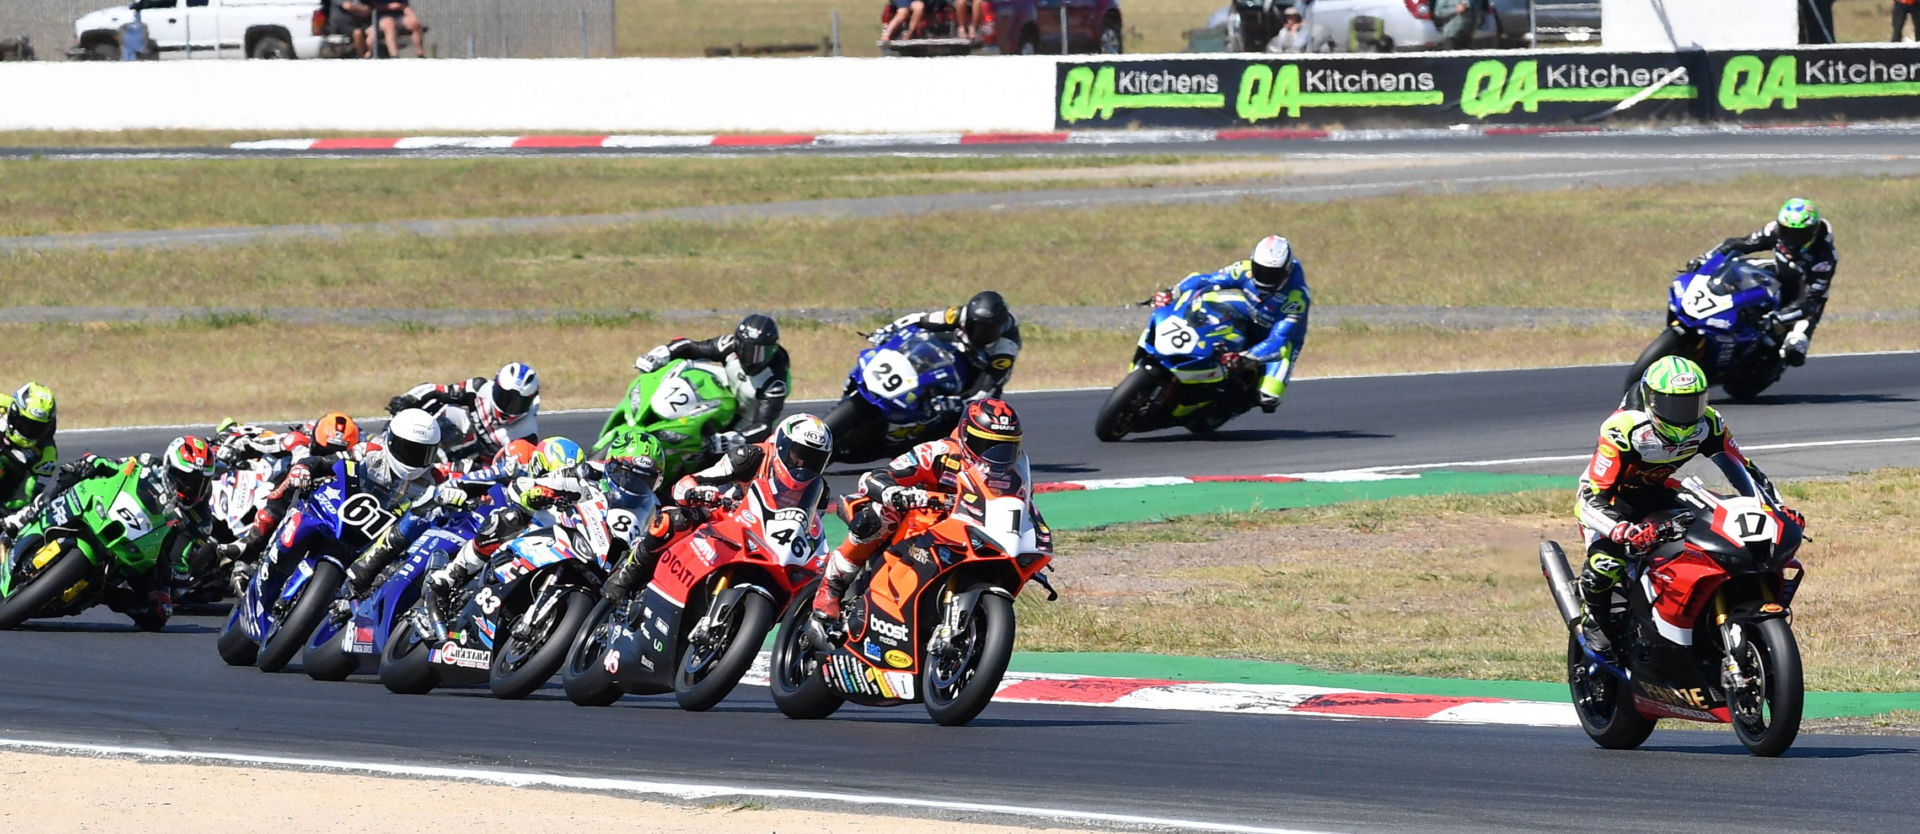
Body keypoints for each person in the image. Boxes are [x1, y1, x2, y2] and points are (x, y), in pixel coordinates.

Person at [1574, 357, 1802, 654]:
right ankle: (1594, 618)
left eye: (1692, 404)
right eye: (1673, 406)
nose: (1684, 416)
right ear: (1651, 400)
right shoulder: (1624, 428)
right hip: (1612, 501)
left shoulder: (1709, 422)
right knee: (1608, 561)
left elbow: (1741, 469)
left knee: (1715, 524)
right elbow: (1589, 497)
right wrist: (1622, 531)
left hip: (1659, 489)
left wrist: (1774, 509)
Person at [813, 399, 1024, 621]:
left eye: (1006, 448)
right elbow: (881, 475)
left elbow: (1020, 506)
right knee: (880, 515)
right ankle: (832, 586)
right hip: (918, 524)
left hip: (967, 534)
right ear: (966, 437)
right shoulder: (939, 452)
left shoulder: (1011, 476)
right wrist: (895, 493)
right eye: (986, 446)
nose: (996, 457)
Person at [600, 414, 832, 604]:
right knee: (673, 522)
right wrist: (697, 492)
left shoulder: (818, 492)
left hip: (772, 544)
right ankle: (626, 576)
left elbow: (811, 531)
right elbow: (693, 481)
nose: (803, 464)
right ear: (782, 445)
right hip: (728, 517)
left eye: (814, 459)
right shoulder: (750, 456)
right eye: (798, 454)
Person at [1, 437, 216, 628]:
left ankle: (104, 593)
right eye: (185, 478)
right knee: (69, 477)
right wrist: (89, 463)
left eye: (200, 482)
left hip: (149, 555)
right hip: (117, 518)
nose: (190, 488)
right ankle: (26, 517)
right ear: (169, 468)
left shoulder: (200, 520)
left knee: (159, 613)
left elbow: (182, 563)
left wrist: (170, 570)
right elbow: (116, 465)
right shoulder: (149, 464)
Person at [425, 441, 661, 597]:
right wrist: (539, 493)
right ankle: (453, 574)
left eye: (644, 480)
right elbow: (538, 483)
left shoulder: (651, 507)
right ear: (612, 465)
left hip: (590, 552)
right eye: (627, 475)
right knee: (507, 519)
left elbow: (647, 539)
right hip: (542, 529)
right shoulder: (589, 472)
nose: (632, 484)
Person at [1150, 235, 1311, 417]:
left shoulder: (1296, 298)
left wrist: (1244, 358)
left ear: (1287, 271)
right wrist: (1172, 292)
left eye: (1273, 274)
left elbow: (1279, 340)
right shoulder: (1243, 270)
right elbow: (1207, 280)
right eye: (1261, 271)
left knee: (1269, 398)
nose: (1265, 279)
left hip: (1277, 340)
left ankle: (1227, 405)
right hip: (1249, 312)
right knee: (1207, 298)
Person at [1699, 198, 1836, 367]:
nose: (1792, 239)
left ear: (1812, 233)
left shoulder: (1824, 257)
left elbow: (1809, 301)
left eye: (1799, 235)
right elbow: (1740, 244)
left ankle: (1767, 365)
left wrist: (1777, 318)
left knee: (1794, 350)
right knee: (1736, 271)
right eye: (1787, 231)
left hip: (1805, 299)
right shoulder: (1775, 230)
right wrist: (1705, 259)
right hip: (1778, 275)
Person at [633, 314, 792, 455]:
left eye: (756, 352)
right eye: (743, 347)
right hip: (724, 398)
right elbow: (691, 347)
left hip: (746, 422)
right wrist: (660, 354)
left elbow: (763, 427)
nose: (747, 356)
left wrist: (734, 438)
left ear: (771, 350)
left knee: (716, 457)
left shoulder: (775, 382)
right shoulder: (730, 346)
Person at [866, 291, 1023, 411]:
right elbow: (920, 320)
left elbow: (988, 385)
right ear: (968, 318)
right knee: (924, 342)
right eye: (976, 327)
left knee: (978, 409)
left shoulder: (1006, 348)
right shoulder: (958, 314)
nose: (980, 333)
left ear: (1001, 328)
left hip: (982, 367)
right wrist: (887, 330)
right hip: (957, 348)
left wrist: (962, 401)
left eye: (989, 330)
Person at [387, 362, 540, 466]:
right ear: (495, 386)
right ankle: (398, 436)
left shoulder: (526, 436)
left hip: (478, 469)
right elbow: (437, 390)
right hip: (455, 438)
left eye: (517, 402)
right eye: (504, 397)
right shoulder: (479, 388)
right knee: (444, 408)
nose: (508, 407)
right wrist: (406, 400)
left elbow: (512, 473)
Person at [0, 382, 58, 523]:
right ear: (14, 413)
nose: (29, 432)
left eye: (37, 428)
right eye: (24, 425)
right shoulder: (4, 404)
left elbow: (27, 497)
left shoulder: (47, 456)